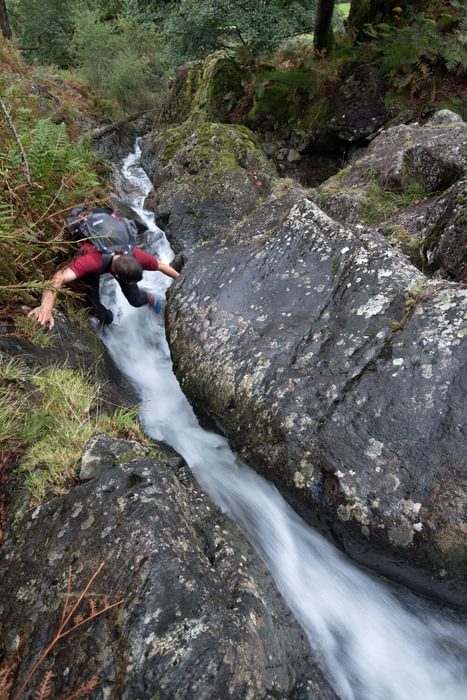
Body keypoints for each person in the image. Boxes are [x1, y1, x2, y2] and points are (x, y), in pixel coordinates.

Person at [28, 205, 180, 330]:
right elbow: (58, 277)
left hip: (113, 261)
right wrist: (46, 307)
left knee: (135, 299)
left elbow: (160, 266)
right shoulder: (93, 260)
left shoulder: (134, 254)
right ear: (116, 275)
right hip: (95, 263)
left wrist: (181, 280)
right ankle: (108, 320)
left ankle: (149, 298)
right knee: (94, 306)